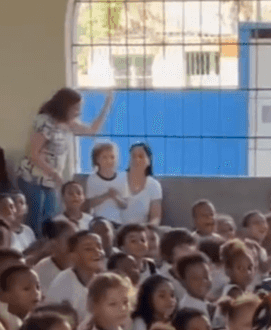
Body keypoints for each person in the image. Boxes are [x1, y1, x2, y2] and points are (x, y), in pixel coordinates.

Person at [18, 88, 114, 237]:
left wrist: (107, 104)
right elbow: (34, 154)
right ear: (65, 106)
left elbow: (92, 131)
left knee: (50, 219)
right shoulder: (45, 121)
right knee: (36, 222)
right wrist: (55, 173)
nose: (78, 112)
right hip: (33, 178)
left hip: (50, 181)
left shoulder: (68, 123)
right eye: (76, 108)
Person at [84, 141, 128, 226]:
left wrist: (116, 197)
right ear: (97, 159)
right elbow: (89, 204)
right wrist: (106, 196)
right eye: (104, 157)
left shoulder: (122, 178)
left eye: (112, 157)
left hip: (118, 222)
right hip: (98, 221)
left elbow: (124, 205)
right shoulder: (92, 179)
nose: (109, 161)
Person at [122, 143, 163, 226]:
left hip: (140, 231)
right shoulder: (118, 179)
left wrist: (149, 229)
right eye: (133, 156)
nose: (136, 160)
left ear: (148, 161)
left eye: (141, 156)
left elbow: (156, 217)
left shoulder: (153, 185)